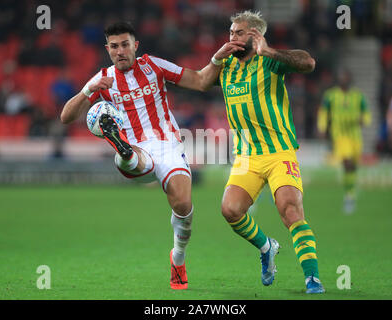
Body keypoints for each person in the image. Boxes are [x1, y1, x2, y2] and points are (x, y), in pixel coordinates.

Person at [60, 21, 242, 290]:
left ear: (135, 45)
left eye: (125, 44)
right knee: (132, 157)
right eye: (114, 46)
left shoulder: (154, 66)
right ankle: (121, 148)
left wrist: (217, 57)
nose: (120, 51)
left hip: (168, 145)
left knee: (183, 205)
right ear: (107, 49)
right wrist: (89, 90)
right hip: (138, 148)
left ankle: (178, 258)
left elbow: (202, 81)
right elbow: (66, 117)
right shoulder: (103, 78)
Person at [201, 10, 325, 294]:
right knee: (230, 210)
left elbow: (307, 62)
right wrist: (216, 58)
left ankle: (312, 277)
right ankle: (267, 247)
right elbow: (200, 81)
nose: (232, 37)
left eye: (239, 32)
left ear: (255, 35)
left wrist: (268, 50)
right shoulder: (227, 66)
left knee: (290, 209)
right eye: (230, 32)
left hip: (279, 152)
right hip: (246, 156)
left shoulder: (269, 61)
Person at [318, 70, 371, 214]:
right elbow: (323, 112)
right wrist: (322, 127)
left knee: (353, 166)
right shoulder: (331, 95)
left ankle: (350, 190)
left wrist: (364, 120)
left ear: (350, 79)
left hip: (355, 136)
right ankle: (349, 197)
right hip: (340, 136)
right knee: (347, 163)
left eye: (346, 77)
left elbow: (366, 113)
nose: (343, 80)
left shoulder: (357, 96)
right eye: (341, 77)